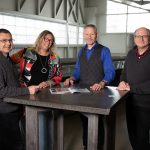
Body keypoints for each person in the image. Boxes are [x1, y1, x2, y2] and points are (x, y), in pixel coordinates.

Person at [64, 24, 115, 150]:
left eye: (92, 34)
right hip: (82, 91)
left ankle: (98, 146)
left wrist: (102, 83)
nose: (89, 36)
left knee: (97, 121)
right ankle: (87, 145)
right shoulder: (81, 51)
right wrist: (72, 78)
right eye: (86, 34)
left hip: (99, 92)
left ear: (96, 35)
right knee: (85, 121)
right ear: (83, 35)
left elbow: (110, 72)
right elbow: (77, 70)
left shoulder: (104, 50)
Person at [10, 30, 62, 149]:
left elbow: (58, 77)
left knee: (44, 124)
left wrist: (49, 82)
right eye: (45, 38)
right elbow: (9, 61)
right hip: (25, 93)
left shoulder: (55, 58)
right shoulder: (26, 52)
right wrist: (15, 77)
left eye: (51, 40)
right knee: (25, 124)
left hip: (44, 96)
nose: (48, 42)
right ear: (40, 39)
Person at [0, 28, 39, 150]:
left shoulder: (8, 60)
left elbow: (13, 83)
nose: (8, 43)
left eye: (10, 40)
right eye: (3, 40)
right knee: (15, 145)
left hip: (14, 108)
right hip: (5, 112)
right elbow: (1, 91)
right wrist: (27, 91)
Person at [117, 27, 150, 150]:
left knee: (142, 137)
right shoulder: (131, 54)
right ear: (134, 38)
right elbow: (124, 73)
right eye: (138, 36)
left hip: (146, 104)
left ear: (149, 38)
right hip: (130, 101)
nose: (141, 39)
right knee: (132, 134)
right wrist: (122, 82)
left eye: (144, 36)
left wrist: (132, 88)